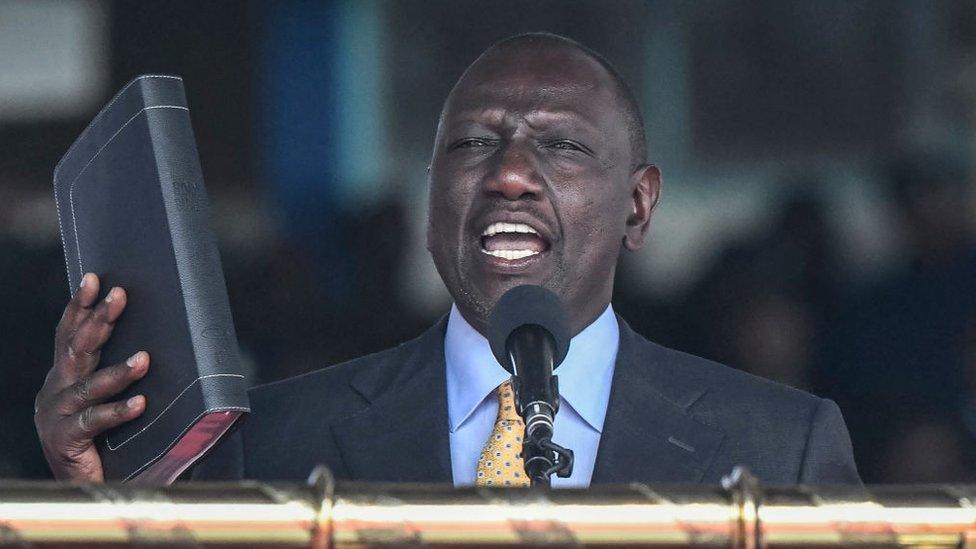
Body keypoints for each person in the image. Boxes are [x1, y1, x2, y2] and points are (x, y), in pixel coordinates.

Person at [34, 33, 860, 487]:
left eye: (562, 144)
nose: (506, 172)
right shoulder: (271, 440)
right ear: (433, 202)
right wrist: (99, 496)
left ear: (638, 206)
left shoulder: (780, 445)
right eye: (472, 144)